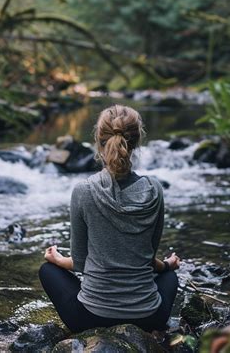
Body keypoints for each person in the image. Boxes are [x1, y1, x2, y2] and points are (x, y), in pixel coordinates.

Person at [39, 104, 180, 333]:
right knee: (170, 278)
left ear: (98, 140)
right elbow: (147, 258)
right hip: (149, 318)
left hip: (90, 317)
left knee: (47, 271)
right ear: (136, 142)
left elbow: (81, 263)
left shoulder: (83, 191)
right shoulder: (154, 189)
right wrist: (167, 266)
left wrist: (57, 260)